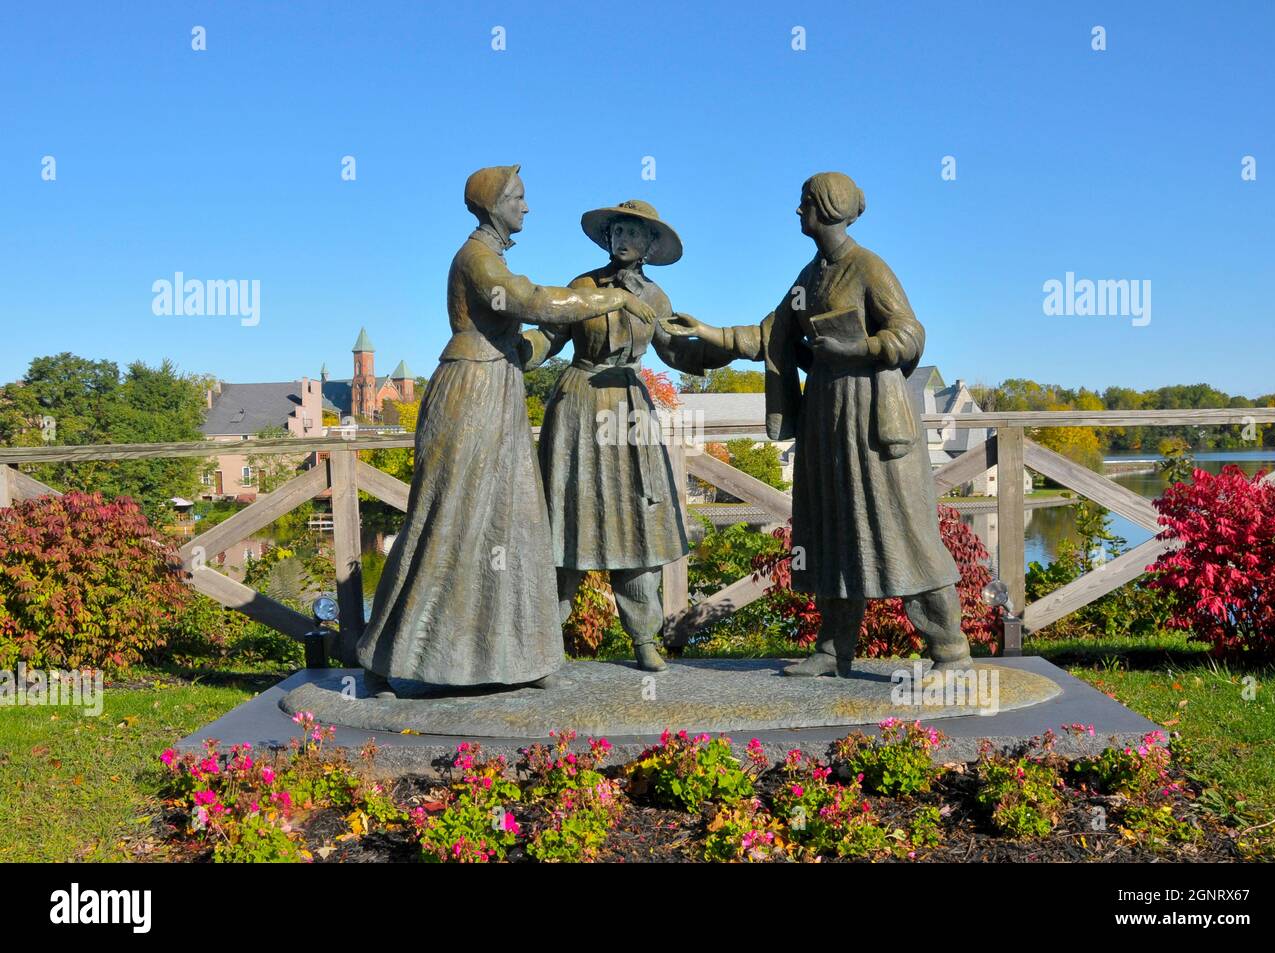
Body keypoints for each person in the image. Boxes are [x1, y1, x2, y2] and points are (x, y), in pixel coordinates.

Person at [357, 166, 658, 695]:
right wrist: (612, 298)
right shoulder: (477, 260)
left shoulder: (490, 257)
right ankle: (390, 655)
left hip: (499, 386)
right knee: (449, 516)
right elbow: (533, 302)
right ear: (494, 204)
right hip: (471, 392)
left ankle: (520, 655)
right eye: (519, 198)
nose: (527, 206)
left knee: (513, 522)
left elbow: (531, 332)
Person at [662, 171, 974, 676]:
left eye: (804, 201)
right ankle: (833, 651)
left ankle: (951, 651)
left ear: (828, 207)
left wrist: (860, 347)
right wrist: (708, 331)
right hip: (825, 419)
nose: (797, 210)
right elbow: (770, 333)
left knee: (903, 531)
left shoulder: (869, 268)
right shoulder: (809, 278)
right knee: (831, 533)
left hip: (873, 421)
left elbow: (910, 335)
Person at [523, 199, 707, 671]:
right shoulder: (583, 286)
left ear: (649, 244)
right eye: (617, 231)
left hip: (629, 407)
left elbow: (673, 350)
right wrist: (514, 352)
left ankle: (644, 637)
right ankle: (544, 640)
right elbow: (549, 335)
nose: (623, 239)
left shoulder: (657, 297)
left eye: (634, 233)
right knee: (566, 517)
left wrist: (715, 349)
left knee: (637, 519)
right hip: (579, 405)